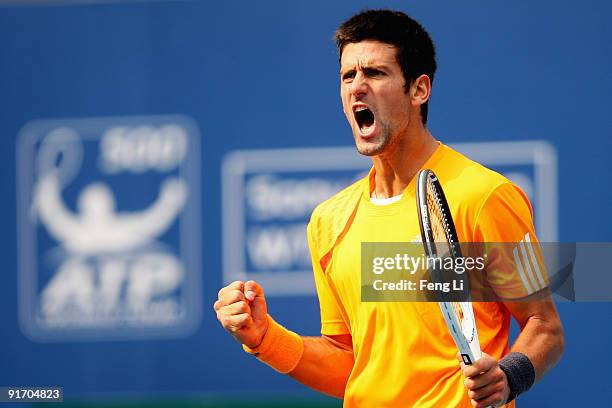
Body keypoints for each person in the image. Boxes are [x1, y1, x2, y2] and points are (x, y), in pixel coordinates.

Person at [214, 9, 564, 407]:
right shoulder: (328, 221)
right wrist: (265, 338)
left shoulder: (487, 195)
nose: (357, 88)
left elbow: (545, 325)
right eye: (348, 76)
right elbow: (352, 365)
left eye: (375, 74)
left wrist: (509, 375)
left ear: (418, 90)